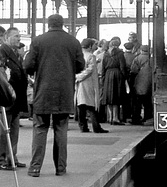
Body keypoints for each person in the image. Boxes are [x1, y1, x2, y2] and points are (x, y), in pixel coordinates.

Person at [23, 14, 85, 177]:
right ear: (62, 24)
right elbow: (80, 65)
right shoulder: (73, 41)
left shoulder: (38, 41)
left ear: (48, 24)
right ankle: (61, 168)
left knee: (40, 129)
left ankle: (35, 167)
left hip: (43, 91)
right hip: (64, 92)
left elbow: (28, 65)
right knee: (61, 129)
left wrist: (35, 70)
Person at [0, 27, 28, 170]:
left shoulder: (16, 54)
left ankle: (12, 157)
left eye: (19, 36)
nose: (19, 39)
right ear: (7, 37)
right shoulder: (2, 52)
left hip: (16, 99)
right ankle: (3, 158)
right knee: (6, 130)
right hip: (8, 99)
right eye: (16, 36)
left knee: (14, 129)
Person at [75, 38, 109, 134]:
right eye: (94, 44)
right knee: (91, 106)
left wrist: (76, 77)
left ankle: (83, 127)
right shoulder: (91, 56)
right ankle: (96, 127)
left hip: (79, 83)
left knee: (81, 105)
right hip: (88, 83)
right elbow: (90, 70)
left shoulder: (77, 56)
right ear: (90, 46)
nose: (95, 46)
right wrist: (80, 77)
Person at [101, 37, 126, 125]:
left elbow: (103, 68)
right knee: (116, 97)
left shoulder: (105, 54)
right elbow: (122, 67)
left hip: (108, 74)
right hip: (117, 74)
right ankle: (115, 118)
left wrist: (103, 78)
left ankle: (109, 117)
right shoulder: (120, 53)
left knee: (108, 97)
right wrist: (124, 77)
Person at [130, 45, 153, 124]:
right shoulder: (152, 59)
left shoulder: (137, 58)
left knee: (137, 102)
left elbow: (133, 71)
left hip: (139, 82)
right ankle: (148, 117)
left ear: (141, 50)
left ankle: (136, 118)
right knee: (147, 102)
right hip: (150, 83)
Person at [94, 39, 109, 122]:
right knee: (101, 95)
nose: (106, 45)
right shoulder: (98, 53)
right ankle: (100, 114)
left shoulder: (101, 53)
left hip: (101, 75)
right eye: (105, 44)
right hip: (100, 75)